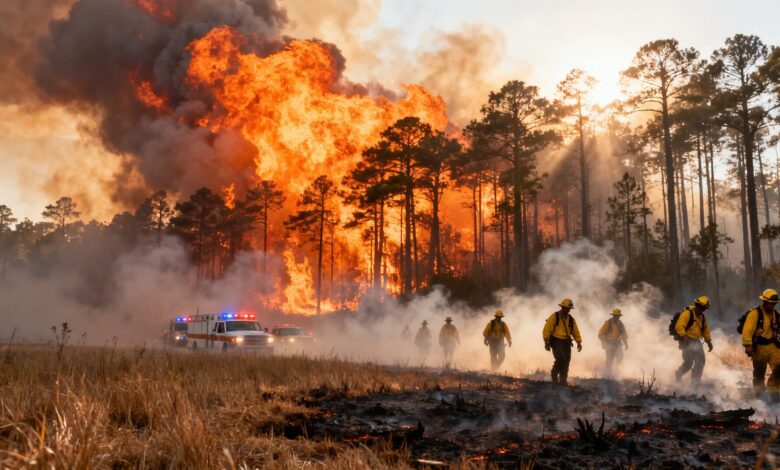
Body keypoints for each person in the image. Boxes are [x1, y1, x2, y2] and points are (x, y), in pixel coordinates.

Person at [741, 289, 780, 397]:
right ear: (764, 301)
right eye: (771, 303)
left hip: (773, 346)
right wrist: (748, 346)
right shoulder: (755, 314)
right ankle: (759, 396)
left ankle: (774, 394)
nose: (773, 305)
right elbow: (747, 331)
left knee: (779, 369)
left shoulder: (776, 315)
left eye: (774, 303)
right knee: (759, 373)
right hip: (759, 347)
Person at [542, 298, 582, 386]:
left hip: (566, 342)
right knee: (561, 359)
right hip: (556, 341)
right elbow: (547, 329)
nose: (567, 310)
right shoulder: (554, 316)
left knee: (567, 361)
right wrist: (546, 341)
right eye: (565, 308)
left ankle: (563, 381)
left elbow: (575, 331)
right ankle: (554, 375)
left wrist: (579, 342)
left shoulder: (571, 319)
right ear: (562, 307)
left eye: (568, 309)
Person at [674, 296, 713, 384]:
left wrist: (709, 342)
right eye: (701, 307)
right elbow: (679, 326)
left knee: (701, 361)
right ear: (696, 305)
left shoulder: (702, 317)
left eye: (704, 308)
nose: (702, 310)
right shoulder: (687, 314)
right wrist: (684, 336)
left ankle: (695, 382)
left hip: (697, 342)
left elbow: (705, 330)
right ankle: (678, 374)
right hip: (686, 341)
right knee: (688, 363)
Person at [598, 309, 628, 376]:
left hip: (618, 343)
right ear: (613, 315)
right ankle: (607, 375)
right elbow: (600, 334)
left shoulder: (621, 324)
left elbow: (624, 335)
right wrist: (604, 342)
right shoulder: (608, 323)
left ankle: (616, 373)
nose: (617, 317)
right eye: (615, 316)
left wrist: (626, 344)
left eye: (618, 316)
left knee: (620, 358)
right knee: (609, 360)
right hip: (609, 344)